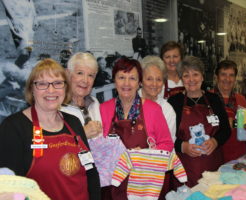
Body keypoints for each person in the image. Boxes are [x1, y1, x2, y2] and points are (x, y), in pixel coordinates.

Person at [0, 58, 101, 200]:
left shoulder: (73, 123)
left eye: (58, 83)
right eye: (42, 84)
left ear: (65, 88)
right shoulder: (14, 127)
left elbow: (90, 172)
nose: (51, 90)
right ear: (31, 89)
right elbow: (8, 189)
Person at [100, 56, 173, 200]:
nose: (126, 83)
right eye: (121, 77)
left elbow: (167, 144)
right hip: (113, 183)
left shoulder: (153, 109)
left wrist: (146, 154)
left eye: (132, 78)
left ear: (139, 82)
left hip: (144, 185)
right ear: (114, 81)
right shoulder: (104, 109)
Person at [168, 56, 230, 188]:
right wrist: (182, 146)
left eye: (195, 74)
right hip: (184, 170)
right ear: (181, 79)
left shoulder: (213, 99)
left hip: (213, 168)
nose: (191, 80)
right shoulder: (174, 102)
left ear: (202, 77)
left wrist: (215, 141)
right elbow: (165, 137)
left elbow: (226, 130)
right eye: (186, 75)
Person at [211, 60, 246, 162]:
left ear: (235, 78)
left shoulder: (241, 100)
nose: (227, 79)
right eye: (223, 74)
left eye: (231, 75)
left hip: (238, 157)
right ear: (217, 76)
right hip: (215, 157)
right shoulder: (208, 98)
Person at [60, 52, 102, 139]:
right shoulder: (57, 107)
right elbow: (53, 146)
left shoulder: (95, 103)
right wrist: (82, 134)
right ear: (68, 74)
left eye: (91, 75)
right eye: (80, 73)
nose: (85, 80)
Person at [138, 55, 176, 142]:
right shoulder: (128, 102)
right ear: (140, 81)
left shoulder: (167, 109)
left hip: (158, 155)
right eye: (149, 79)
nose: (154, 84)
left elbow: (169, 142)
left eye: (159, 79)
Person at [2, 0, 38, 68]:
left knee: (29, 46)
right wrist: (14, 18)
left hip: (29, 14)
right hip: (17, 14)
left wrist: (35, 16)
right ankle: (16, 67)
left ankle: (25, 67)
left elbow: (30, 1)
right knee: (24, 48)